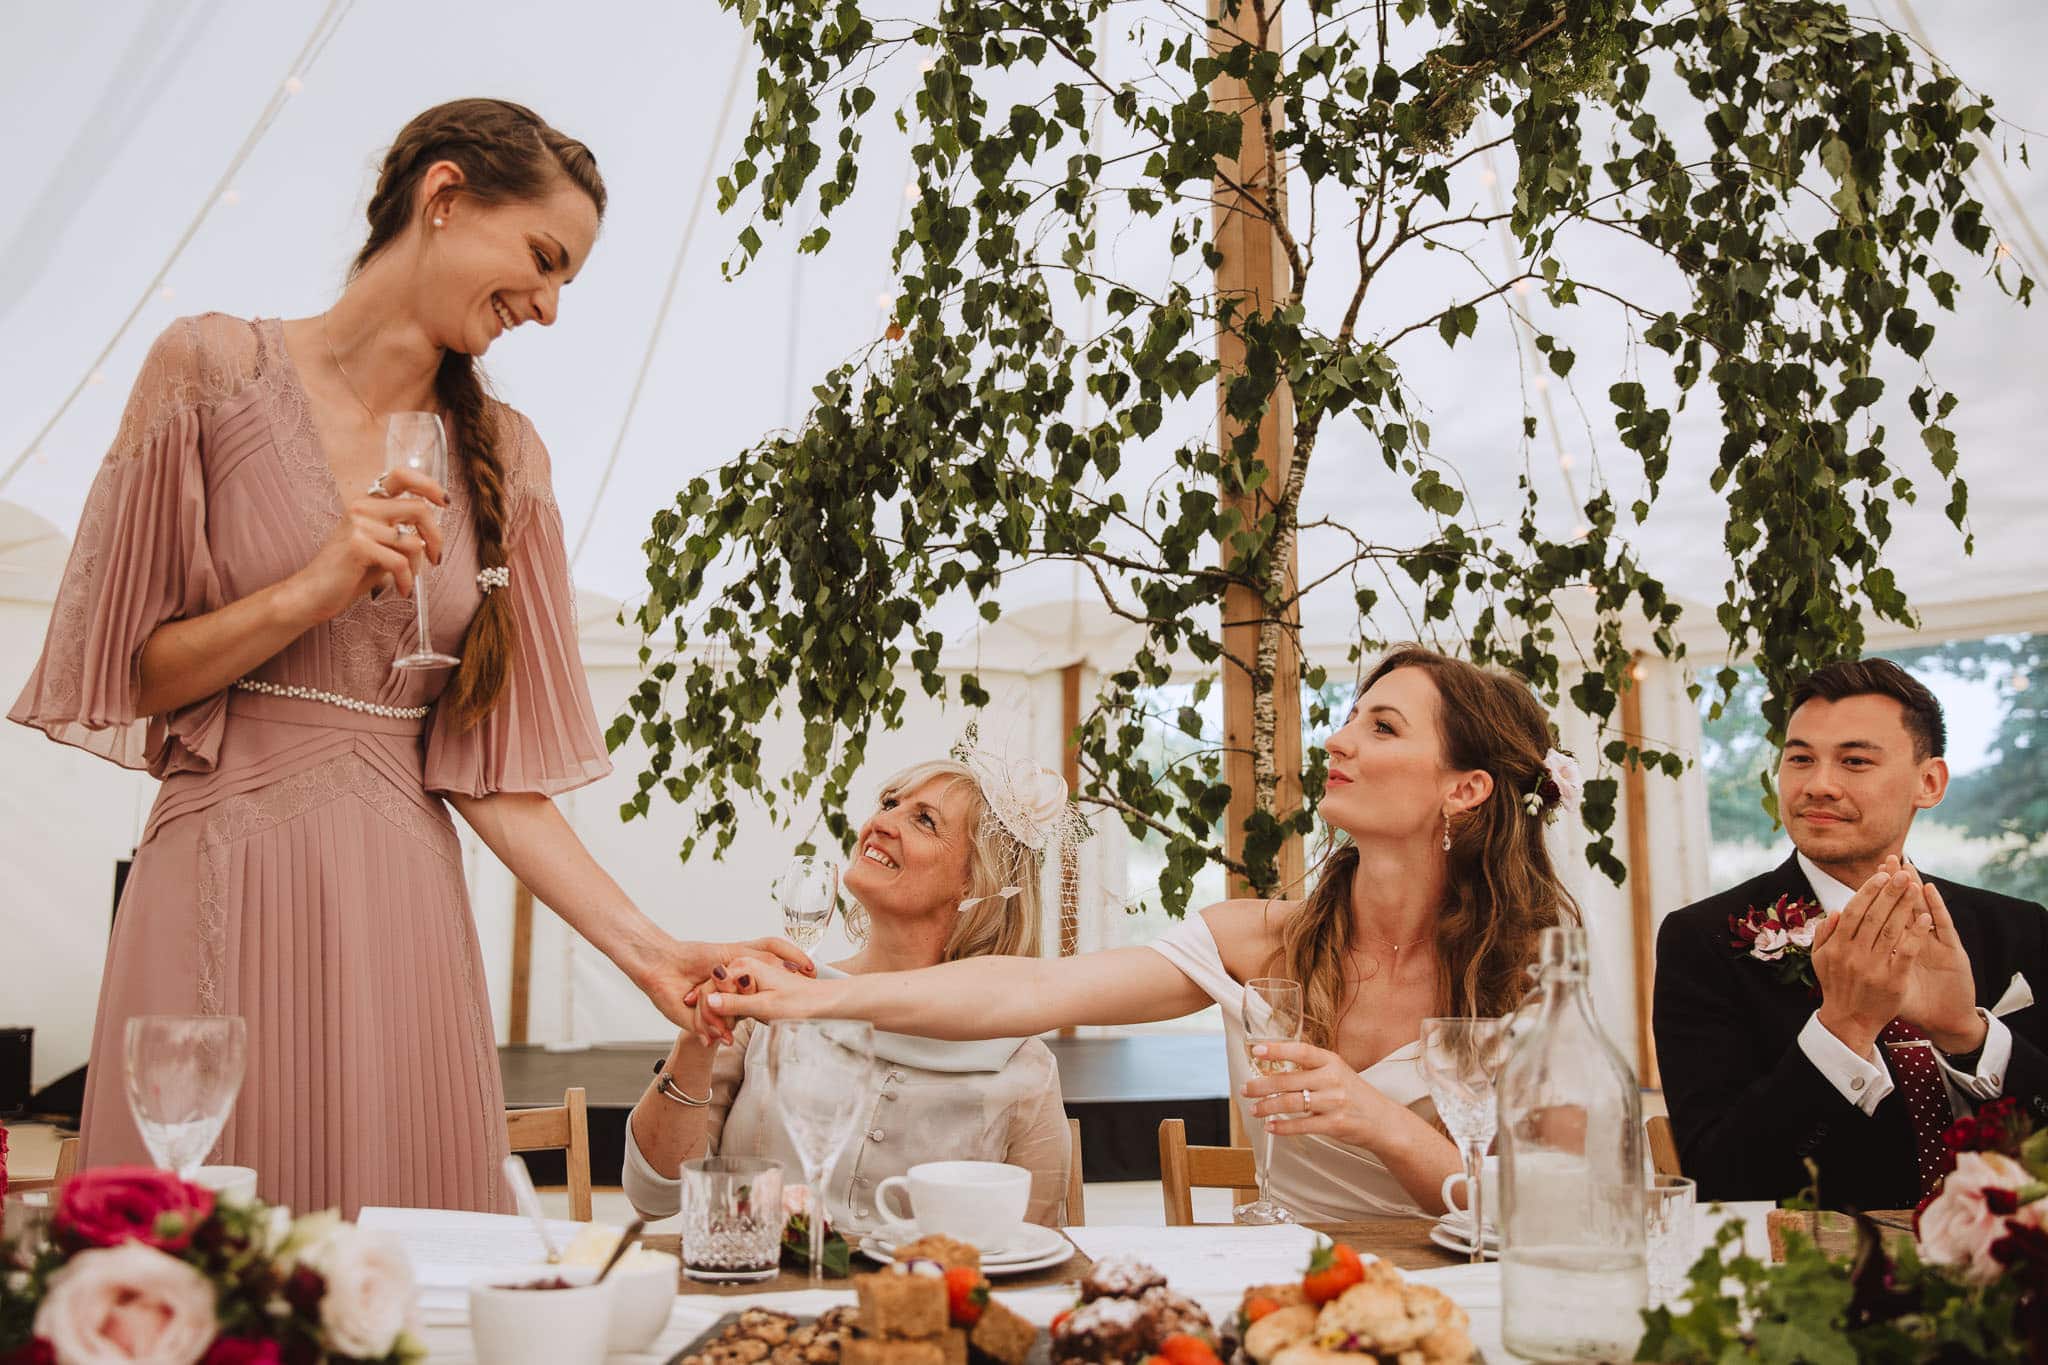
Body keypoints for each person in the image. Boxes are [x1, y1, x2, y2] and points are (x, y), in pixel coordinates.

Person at [9, 99, 806, 1217]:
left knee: (404, 1260)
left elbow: (492, 774)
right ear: (443, 196)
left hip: (402, 904)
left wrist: (652, 953)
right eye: (542, 258)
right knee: (198, 1254)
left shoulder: (510, 460)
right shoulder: (209, 368)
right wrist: (314, 584)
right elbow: (123, 674)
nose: (549, 305)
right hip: (219, 877)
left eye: (566, 278)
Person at [691, 646, 1581, 1220]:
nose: (1338, 740)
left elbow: (1560, 1216)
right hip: (1282, 1305)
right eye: (1348, 714)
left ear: (1465, 788)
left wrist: (1380, 1120)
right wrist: (825, 995)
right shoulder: (1255, 941)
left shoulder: (1535, 979)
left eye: (1380, 725)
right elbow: (1030, 990)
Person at [1654, 659, 2048, 1209]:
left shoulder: (2018, 927)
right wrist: (1844, 1029)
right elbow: (1720, 1178)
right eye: (1800, 760)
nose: (1818, 785)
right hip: (1819, 1277)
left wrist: (1968, 1036)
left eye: (1855, 761)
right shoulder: (1705, 940)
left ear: (1928, 782)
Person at [622, 757, 1072, 1231]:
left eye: (923, 820)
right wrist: (697, 1040)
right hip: (754, 1293)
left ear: (975, 880)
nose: (880, 823)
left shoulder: (1020, 1061)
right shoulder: (766, 1001)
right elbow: (654, 1198)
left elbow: (1035, 1248)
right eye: (888, 804)